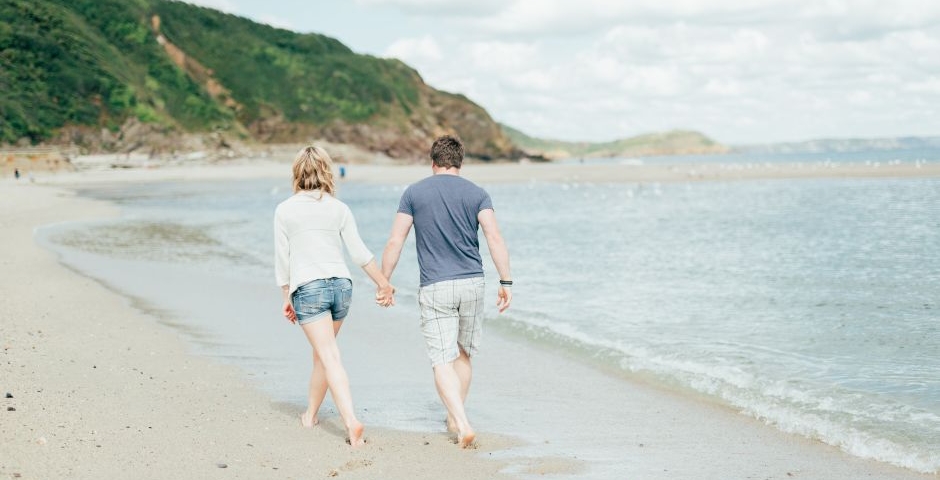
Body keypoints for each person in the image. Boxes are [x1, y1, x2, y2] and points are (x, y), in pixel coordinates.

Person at [381, 134, 512, 448]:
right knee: (463, 353)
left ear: (433, 162)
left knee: (441, 359)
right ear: (460, 163)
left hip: (436, 285)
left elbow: (395, 241)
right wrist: (505, 282)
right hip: (472, 283)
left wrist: (385, 281)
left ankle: (461, 422)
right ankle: (456, 418)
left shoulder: (414, 193)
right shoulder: (477, 193)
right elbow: (494, 237)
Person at [274, 145, 394, 447]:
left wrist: (286, 295)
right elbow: (360, 254)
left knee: (328, 355)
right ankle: (310, 415)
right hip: (341, 286)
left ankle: (351, 422)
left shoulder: (285, 210)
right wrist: (383, 283)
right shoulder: (339, 208)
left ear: (297, 172)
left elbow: (282, 260)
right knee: (323, 355)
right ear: (327, 171)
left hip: (309, 288)